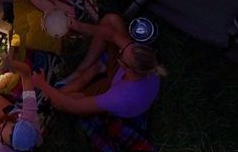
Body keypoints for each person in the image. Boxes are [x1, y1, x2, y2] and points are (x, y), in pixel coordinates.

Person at [27, 14, 166, 118]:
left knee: (59, 101)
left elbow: (74, 106)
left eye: (121, 54)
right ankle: (85, 68)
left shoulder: (120, 96)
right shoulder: (141, 58)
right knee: (111, 20)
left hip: (114, 90)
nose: (120, 49)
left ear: (127, 68)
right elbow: (111, 35)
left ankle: (95, 70)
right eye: (126, 47)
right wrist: (80, 26)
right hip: (120, 78)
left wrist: (42, 84)